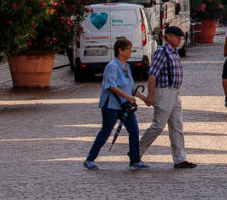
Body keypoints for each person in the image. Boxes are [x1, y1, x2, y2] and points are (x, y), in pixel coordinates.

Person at [83, 37, 148, 170]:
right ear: (120, 50)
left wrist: (144, 98)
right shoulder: (112, 66)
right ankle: (90, 159)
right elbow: (111, 86)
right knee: (106, 131)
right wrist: (127, 97)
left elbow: (131, 87)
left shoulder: (127, 66)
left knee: (134, 130)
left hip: (125, 105)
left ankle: (135, 160)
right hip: (111, 105)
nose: (131, 51)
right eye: (128, 49)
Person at [139, 26, 197, 169]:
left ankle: (179, 159)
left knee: (177, 126)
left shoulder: (175, 53)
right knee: (158, 125)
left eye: (181, 37)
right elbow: (152, 75)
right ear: (169, 36)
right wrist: (150, 95)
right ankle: (136, 152)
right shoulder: (162, 52)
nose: (179, 39)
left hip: (175, 92)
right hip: (164, 91)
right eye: (177, 36)